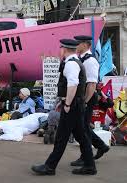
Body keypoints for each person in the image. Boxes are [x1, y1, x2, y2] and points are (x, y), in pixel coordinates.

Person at [31, 39, 96, 175]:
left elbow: (72, 85)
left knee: (62, 137)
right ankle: (90, 166)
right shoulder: (75, 62)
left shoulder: (71, 64)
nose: (60, 51)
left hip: (72, 105)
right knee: (81, 136)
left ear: (64, 49)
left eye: (61, 48)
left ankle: (50, 166)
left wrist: (67, 103)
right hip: (76, 104)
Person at [70, 35, 110, 167]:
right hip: (83, 96)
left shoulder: (90, 61)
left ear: (86, 45)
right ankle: (100, 146)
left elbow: (92, 84)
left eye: (78, 43)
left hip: (88, 96)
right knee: (83, 127)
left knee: (82, 127)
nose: (76, 46)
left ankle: (85, 155)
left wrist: (85, 101)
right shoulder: (82, 59)